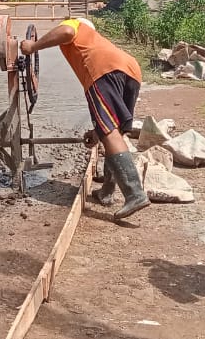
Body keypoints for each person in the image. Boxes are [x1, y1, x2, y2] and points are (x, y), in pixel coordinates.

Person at [21, 16, 150, 220]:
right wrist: (96, 132)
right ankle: (107, 192)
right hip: (131, 70)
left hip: (103, 71)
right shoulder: (98, 41)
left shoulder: (75, 25)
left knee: (109, 132)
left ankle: (135, 194)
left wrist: (32, 46)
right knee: (114, 130)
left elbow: (67, 32)